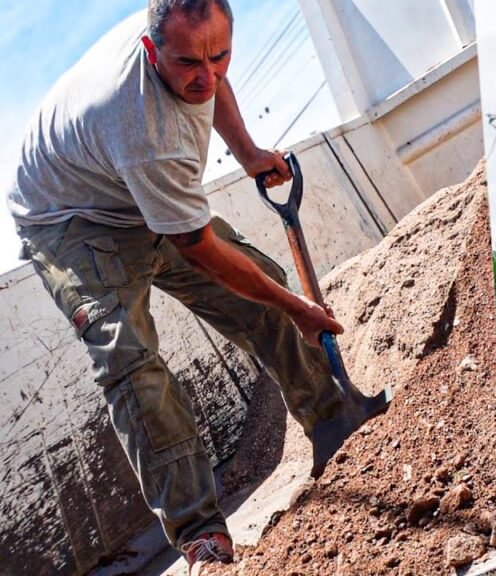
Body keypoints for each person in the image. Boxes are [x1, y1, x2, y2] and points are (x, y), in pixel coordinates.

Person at [7, 0, 372, 569]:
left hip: (128, 187)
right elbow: (199, 250)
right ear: (152, 51)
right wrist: (298, 308)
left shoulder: (192, 47)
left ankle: (335, 421)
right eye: (187, 64)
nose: (206, 75)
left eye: (220, 55)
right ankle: (202, 534)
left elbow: (210, 79)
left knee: (264, 293)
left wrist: (247, 151)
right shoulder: (142, 124)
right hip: (69, 221)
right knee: (131, 364)